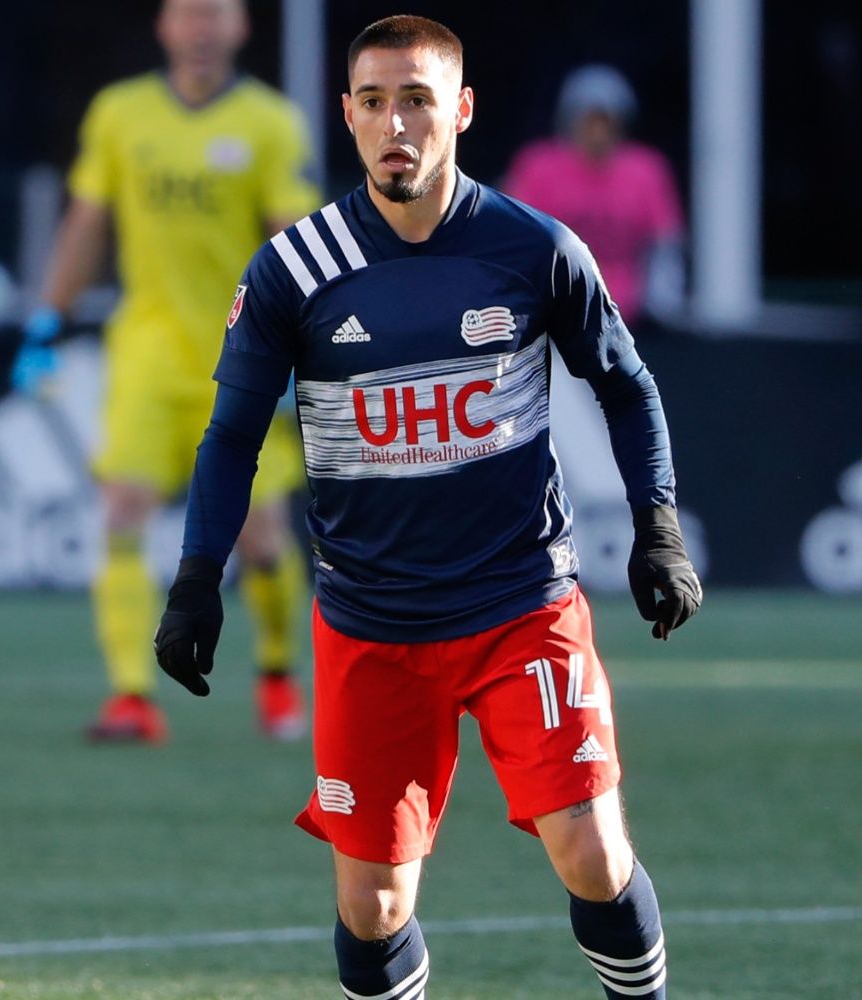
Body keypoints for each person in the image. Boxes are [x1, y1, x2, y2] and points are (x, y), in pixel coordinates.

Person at [153, 15, 701, 997]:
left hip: (519, 608)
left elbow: (625, 382)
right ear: (348, 117)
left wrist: (655, 525)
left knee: (589, 850)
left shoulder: (531, 248)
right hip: (371, 626)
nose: (394, 123)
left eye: (415, 99)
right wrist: (197, 577)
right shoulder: (294, 269)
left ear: (461, 109)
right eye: (373, 102)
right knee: (373, 907)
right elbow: (231, 433)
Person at [12, 0, 317, 744]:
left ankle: (277, 676)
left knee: (265, 540)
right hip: (147, 353)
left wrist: (305, 343)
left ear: (242, 27)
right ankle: (132, 697)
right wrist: (45, 321)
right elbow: (88, 223)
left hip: (242, 355)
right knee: (121, 510)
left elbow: (293, 240)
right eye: (189, 13)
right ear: (164, 26)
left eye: (217, 14)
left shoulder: (271, 124)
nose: (202, 28)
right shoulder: (120, 115)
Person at [504, 64, 685, 328]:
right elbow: (513, 236)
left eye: (607, 122)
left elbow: (665, 243)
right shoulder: (537, 166)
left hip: (629, 314)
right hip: (554, 307)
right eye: (589, 121)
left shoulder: (647, 171)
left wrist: (661, 305)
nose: (598, 132)